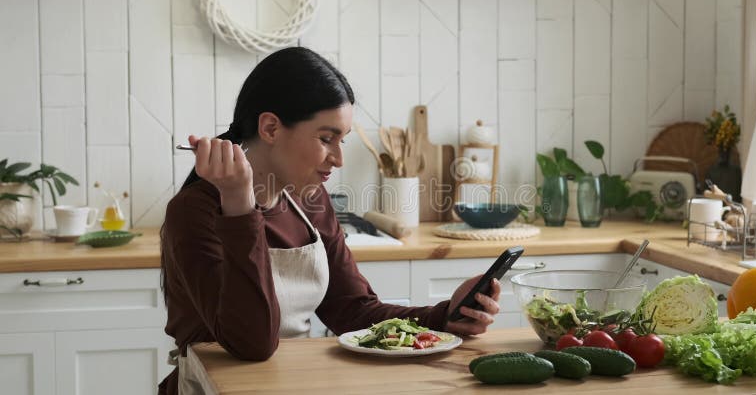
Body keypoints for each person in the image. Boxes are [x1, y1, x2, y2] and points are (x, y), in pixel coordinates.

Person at [157, 47, 501, 394]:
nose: (338, 158)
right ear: (271, 128)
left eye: (342, 140)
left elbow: (352, 311)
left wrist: (444, 318)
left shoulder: (311, 201)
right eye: (326, 139)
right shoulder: (194, 212)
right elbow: (253, 345)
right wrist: (240, 206)